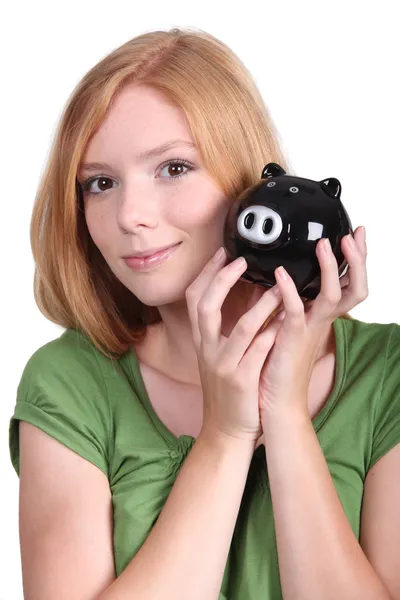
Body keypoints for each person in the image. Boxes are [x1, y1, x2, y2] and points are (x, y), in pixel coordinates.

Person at [8, 27, 400, 600]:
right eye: (100, 183)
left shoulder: (384, 373)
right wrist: (225, 434)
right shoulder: (69, 386)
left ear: (249, 179)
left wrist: (285, 417)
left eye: (172, 168)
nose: (130, 215)